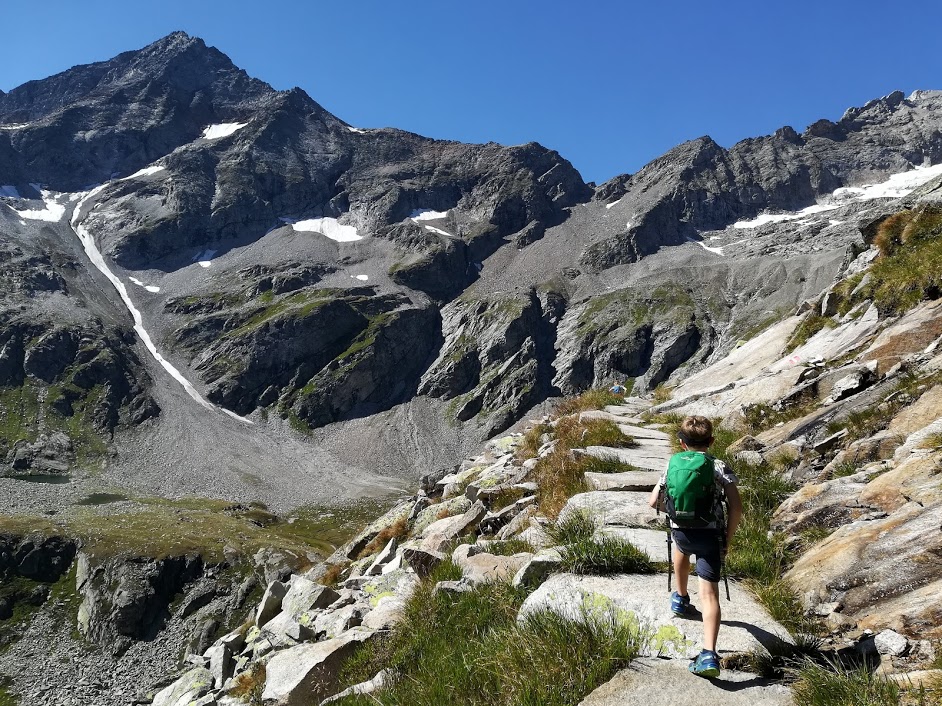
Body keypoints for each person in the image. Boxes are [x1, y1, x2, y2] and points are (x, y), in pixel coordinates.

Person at [647, 415, 742, 678]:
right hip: (711, 535)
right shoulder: (719, 466)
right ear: (711, 441)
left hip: (682, 532)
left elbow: (653, 501)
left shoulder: (672, 464)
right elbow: (737, 507)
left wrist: (675, 513)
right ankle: (709, 654)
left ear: (681, 443)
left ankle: (680, 598)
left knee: (680, 551)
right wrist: (728, 538)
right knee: (709, 594)